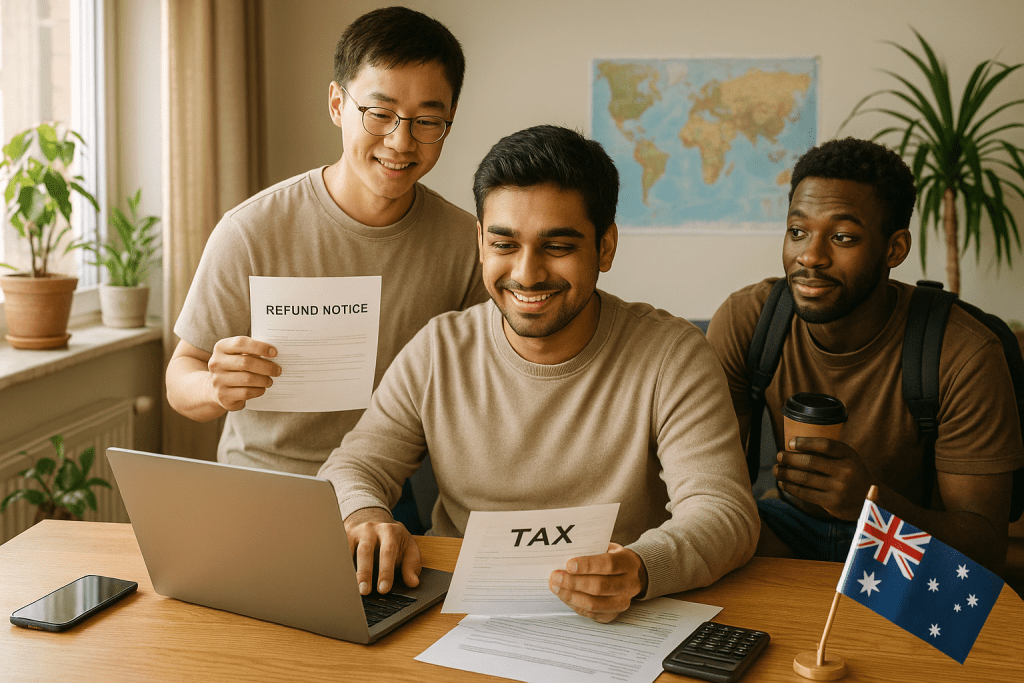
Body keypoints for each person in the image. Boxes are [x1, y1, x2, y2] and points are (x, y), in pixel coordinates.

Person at [318, 125, 759, 623]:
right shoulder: (438, 348)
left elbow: (723, 512)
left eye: (558, 247)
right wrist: (365, 515)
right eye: (504, 244)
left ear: (606, 247)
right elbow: (353, 465)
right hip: (460, 611)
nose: (527, 273)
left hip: (620, 617)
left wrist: (639, 567)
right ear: (481, 243)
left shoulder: (673, 355)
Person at [166, 7, 486, 481]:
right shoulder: (251, 230)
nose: (401, 142)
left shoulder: (465, 242)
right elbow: (181, 377)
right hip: (264, 480)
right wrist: (215, 385)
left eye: (426, 122)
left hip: (392, 489)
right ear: (338, 104)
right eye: (380, 114)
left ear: (449, 121)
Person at [706, 137, 1024, 569]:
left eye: (842, 237)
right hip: (788, 527)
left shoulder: (963, 351)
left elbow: (985, 546)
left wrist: (871, 502)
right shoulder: (750, 320)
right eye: (797, 232)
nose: (810, 257)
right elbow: (709, 489)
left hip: (912, 546)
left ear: (894, 248)